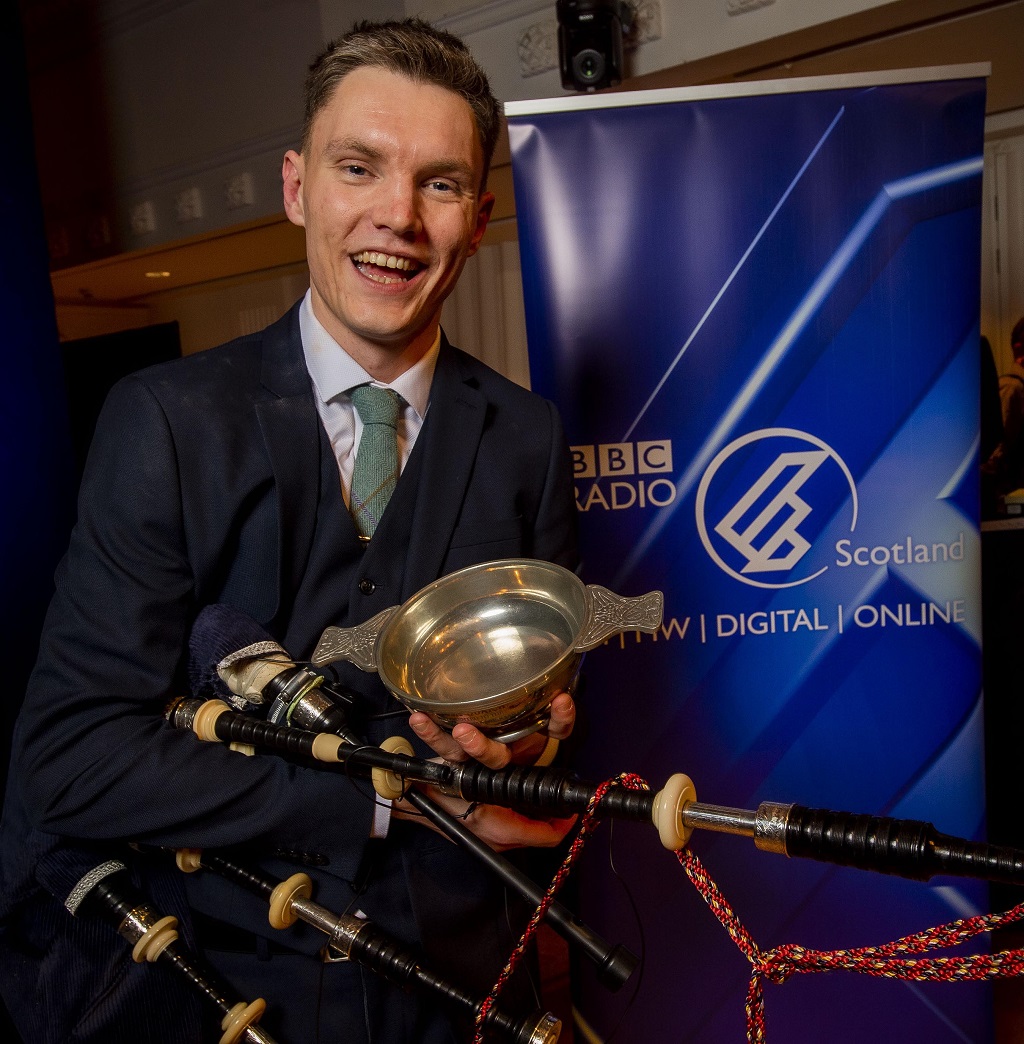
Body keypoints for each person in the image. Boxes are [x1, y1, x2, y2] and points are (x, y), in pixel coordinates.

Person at [0, 19, 578, 1044]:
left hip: (462, 992)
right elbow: (76, 756)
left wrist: (527, 737)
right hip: (221, 990)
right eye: (360, 167)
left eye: (440, 184)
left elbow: (532, 719)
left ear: (479, 218)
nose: (396, 216)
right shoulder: (167, 422)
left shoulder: (527, 437)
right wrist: (386, 800)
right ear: (297, 187)